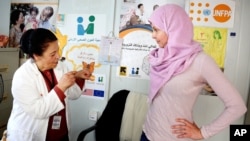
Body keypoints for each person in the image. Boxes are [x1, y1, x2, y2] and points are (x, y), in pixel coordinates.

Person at [141, 4, 247, 141]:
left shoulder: (200, 61)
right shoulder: (160, 56)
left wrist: (203, 132)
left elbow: (237, 106)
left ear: (173, 28)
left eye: (156, 30)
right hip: (147, 133)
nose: (153, 36)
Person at [6, 28, 92, 141]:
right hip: (33, 135)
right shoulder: (23, 76)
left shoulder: (60, 66)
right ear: (36, 55)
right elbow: (39, 110)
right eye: (53, 54)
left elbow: (74, 94)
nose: (58, 56)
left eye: (58, 51)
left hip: (61, 133)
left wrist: (78, 78)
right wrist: (61, 87)